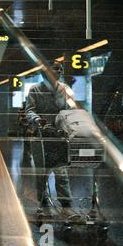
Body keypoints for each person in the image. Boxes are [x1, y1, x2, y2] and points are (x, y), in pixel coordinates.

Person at [25, 61, 76, 219]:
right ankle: (43, 203)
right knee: (42, 173)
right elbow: (30, 110)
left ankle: (66, 206)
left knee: (61, 172)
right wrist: (38, 120)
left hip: (59, 136)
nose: (59, 71)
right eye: (56, 69)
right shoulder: (35, 89)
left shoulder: (64, 89)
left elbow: (71, 109)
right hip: (40, 136)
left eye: (61, 69)